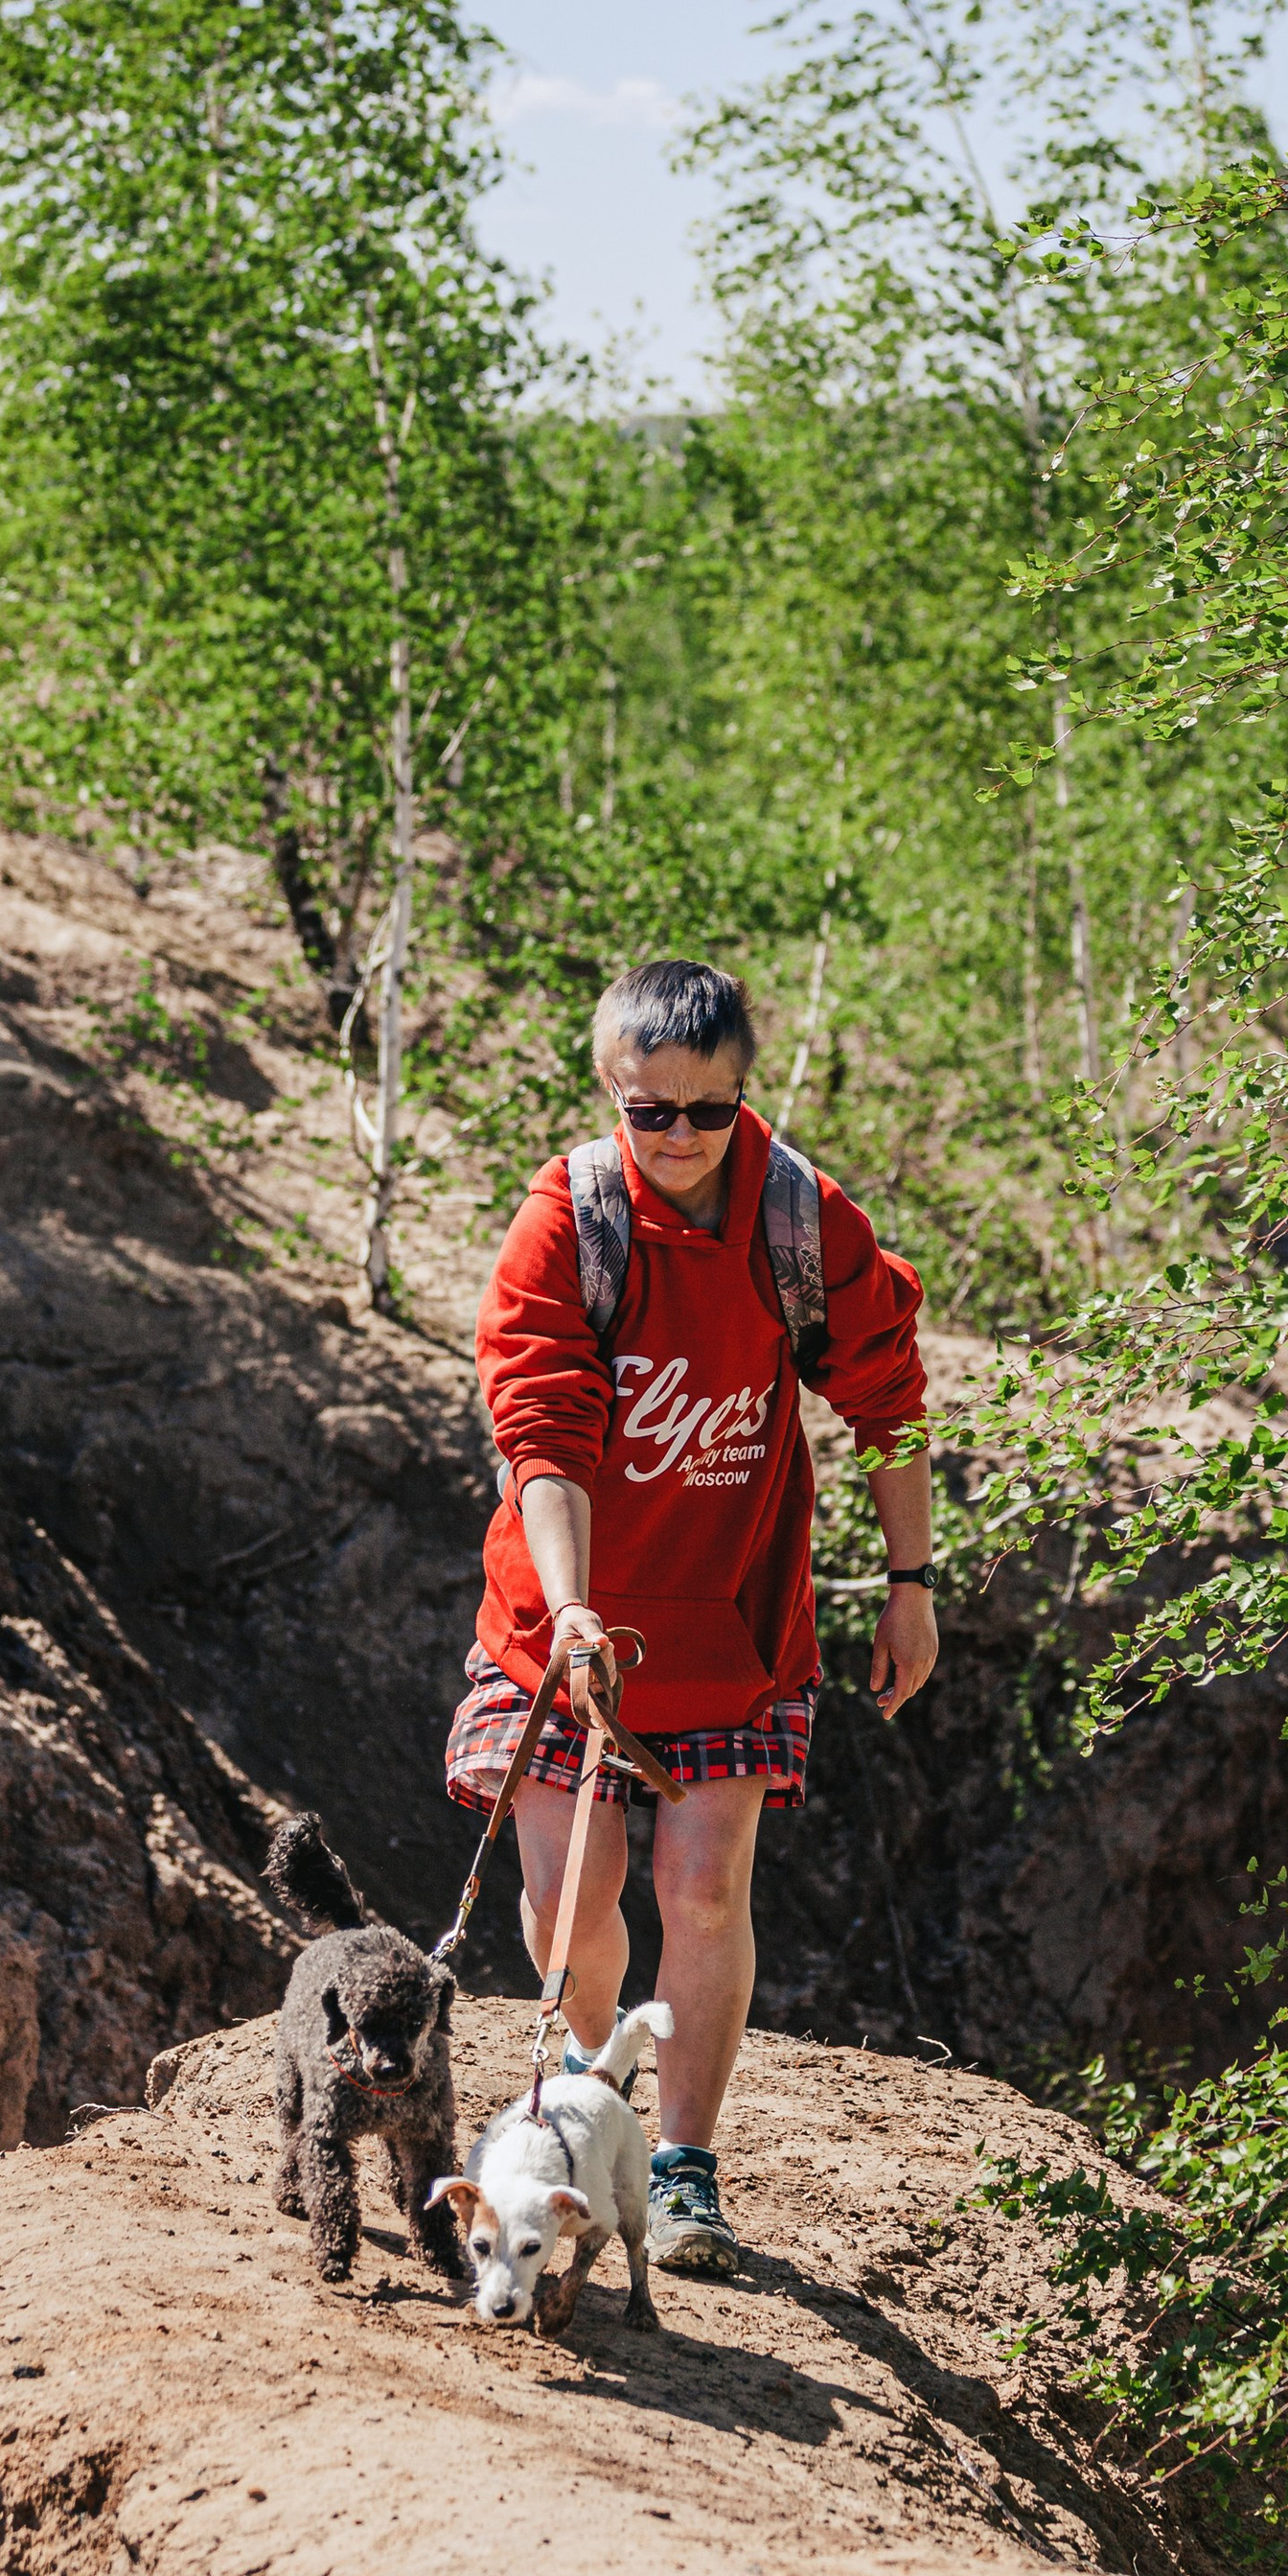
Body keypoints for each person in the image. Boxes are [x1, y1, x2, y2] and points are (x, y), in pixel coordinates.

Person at [445, 956, 936, 2278]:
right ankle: (590, 2123)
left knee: (703, 1888)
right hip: (567, 1621)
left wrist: (911, 1584)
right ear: (612, 1091)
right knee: (570, 1899)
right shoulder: (569, 1217)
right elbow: (539, 1431)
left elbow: (889, 1398)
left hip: (732, 1623)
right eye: (644, 1108)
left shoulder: (797, 1221)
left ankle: (683, 2167)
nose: (672, 1137)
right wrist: (577, 1610)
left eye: (703, 1110)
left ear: (742, 1094)